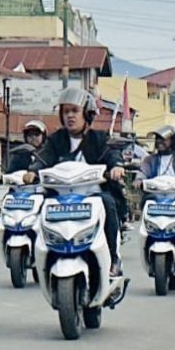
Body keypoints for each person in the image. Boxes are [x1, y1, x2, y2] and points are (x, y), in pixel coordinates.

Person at [21, 87, 126, 277]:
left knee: (109, 203)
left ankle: (113, 258)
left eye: (75, 111)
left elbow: (112, 154)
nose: (70, 116)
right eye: (66, 111)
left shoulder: (99, 138)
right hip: (60, 195)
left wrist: (116, 166)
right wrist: (33, 171)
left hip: (92, 195)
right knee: (37, 206)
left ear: (87, 113)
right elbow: (43, 158)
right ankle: (39, 254)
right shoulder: (55, 140)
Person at [135, 125, 175, 219]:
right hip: (156, 193)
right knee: (147, 201)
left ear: (173, 141)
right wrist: (139, 179)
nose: (159, 142)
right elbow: (143, 171)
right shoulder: (150, 159)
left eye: (163, 139)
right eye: (157, 139)